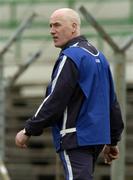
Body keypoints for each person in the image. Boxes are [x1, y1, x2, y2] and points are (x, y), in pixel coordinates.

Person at [15, 8, 124, 180]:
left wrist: (28, 129)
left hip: (75, 137)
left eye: (57, 25)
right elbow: (111, 101)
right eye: (50, 26)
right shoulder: (100, 57)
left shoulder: (70, 56)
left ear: (74, 27)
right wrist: (112, 140)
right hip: (95, 139)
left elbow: (55, 99)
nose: (52, 31)